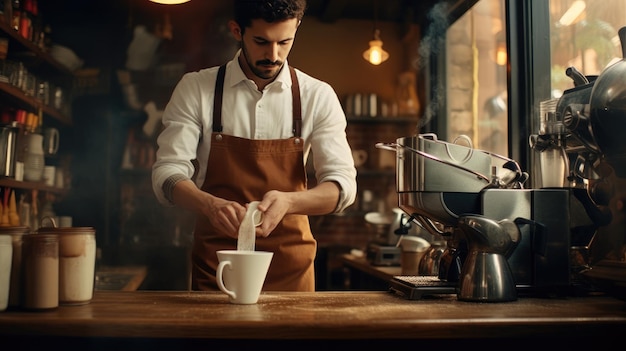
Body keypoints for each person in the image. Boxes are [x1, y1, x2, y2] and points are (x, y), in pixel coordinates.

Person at [151, 0, 357, 292]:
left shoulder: (318, 96)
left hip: (290, 268)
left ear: (296, 28)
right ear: (237, 30)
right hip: (219, 266)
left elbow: (343, 187)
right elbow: (166, 175)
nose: (273, 55)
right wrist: (209, 205)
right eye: (261, 41)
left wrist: (289, 202)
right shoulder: (196, 88)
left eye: (284, 42)